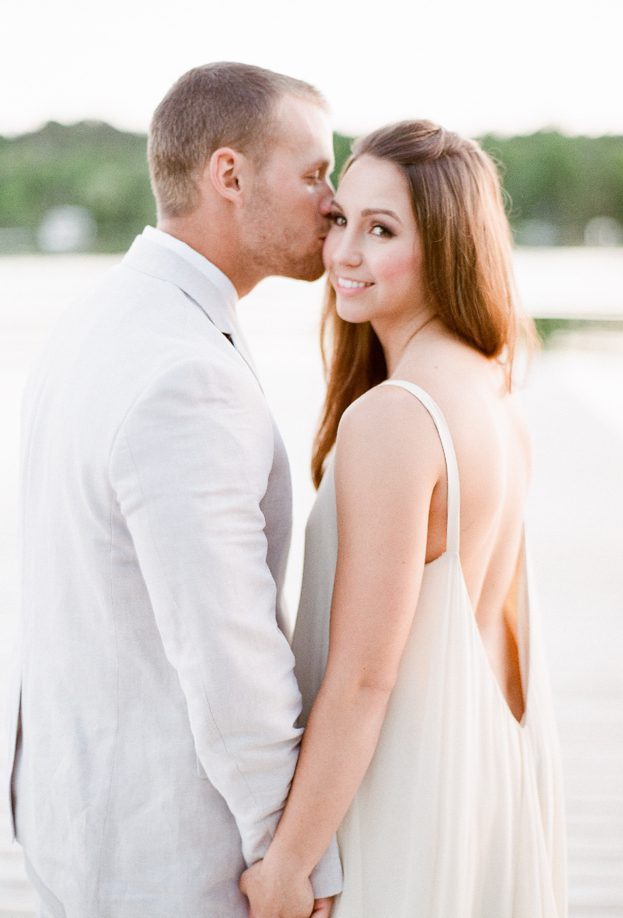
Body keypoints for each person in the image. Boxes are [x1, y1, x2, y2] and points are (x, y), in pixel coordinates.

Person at [1, 62, 341, 915]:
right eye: (313, 174)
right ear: (229, 175)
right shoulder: (184, 374)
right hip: (167, 855)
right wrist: (287, 857)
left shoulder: (100, 317)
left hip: (72, 816)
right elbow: (225, 647)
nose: (332, 202)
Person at [238, 121, 567, 917]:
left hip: (397, 796)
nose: (344, 252)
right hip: (479, 779)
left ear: (448, 247)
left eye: (381, 230)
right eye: (341, 220)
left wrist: (289, 863)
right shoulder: (492, 389)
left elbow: (362, 677)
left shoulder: (395, 418)